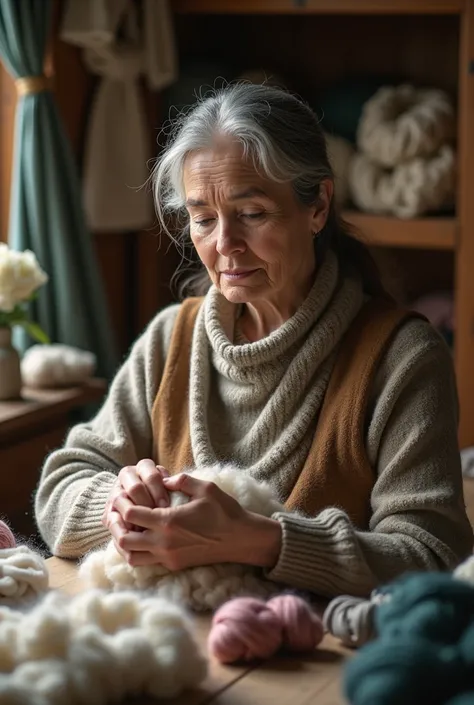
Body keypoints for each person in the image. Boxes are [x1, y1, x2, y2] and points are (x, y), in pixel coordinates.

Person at [35, 83, 473, 598]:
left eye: (252, 213)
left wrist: (261, 541)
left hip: (314, 659)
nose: (224, 245)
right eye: (202, 219)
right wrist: (120, 505)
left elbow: (431, 555)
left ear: (318, 207)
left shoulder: (400, 359)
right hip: (179, 643)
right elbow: (61, 486)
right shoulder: (170, 339)